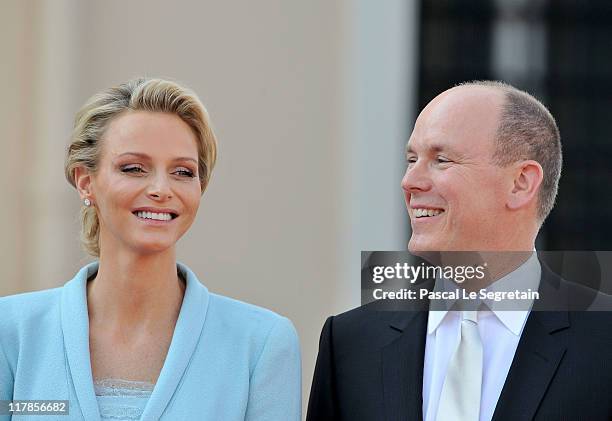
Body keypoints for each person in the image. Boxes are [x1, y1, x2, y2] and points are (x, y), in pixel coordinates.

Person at [306, 81, 612, 420]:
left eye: (441, 159)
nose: (410, 181)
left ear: (521, 182)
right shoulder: (350, 343)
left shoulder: (603, 343)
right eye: (411, 159)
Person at [0, 78, 301, 421]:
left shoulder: (260, 343)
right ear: (86, 182)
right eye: (134, 168)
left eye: (183, 172)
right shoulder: (12, 332)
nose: (161, 189)